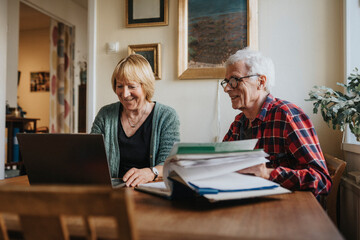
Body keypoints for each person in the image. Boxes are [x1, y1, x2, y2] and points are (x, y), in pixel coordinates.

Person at [221, 48, 331, 198]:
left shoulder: (287, 116)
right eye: (226, 82)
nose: (227, 88)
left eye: (234, 80)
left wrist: (267, 173)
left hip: (290, 210)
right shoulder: (239, 123)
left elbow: (321, 180)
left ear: (260, 82)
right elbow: (221, 165)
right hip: (250, 203)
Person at [91, 54, 180, 187]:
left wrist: (150, 172)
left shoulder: (167, 116)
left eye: (131, 86)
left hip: (150, 191)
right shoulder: (105, 114)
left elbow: (169, 164)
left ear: (146, 86)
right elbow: (92, 157)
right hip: (112, 192)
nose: (125, 94)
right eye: (120, 86)